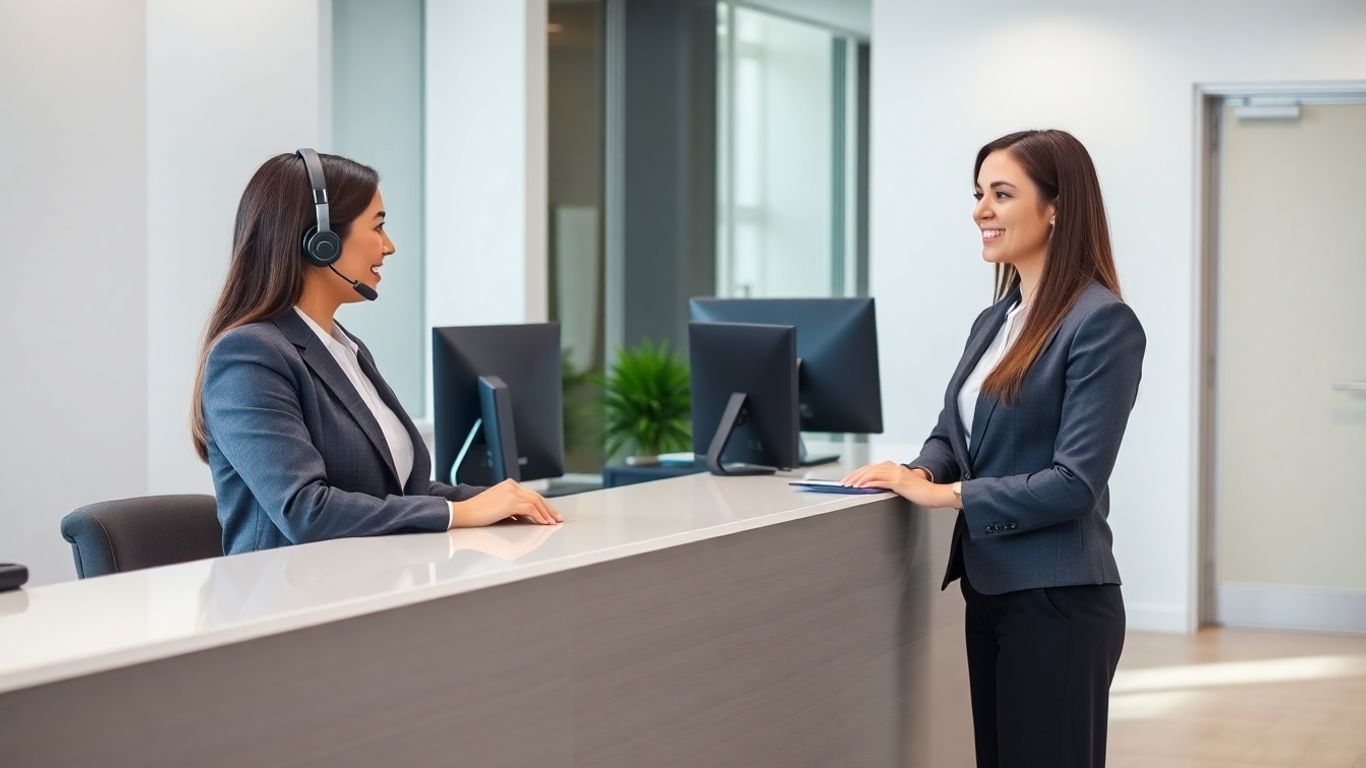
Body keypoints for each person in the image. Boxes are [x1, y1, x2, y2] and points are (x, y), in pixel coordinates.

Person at [842, 129, 1145, 767]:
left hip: (1059, 600)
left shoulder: (1101, 322)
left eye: (1001, 194)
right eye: (979, 193)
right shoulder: (998, 318)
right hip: (993, 590)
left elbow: (1074, 482)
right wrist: (917, 468)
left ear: (1056, 206)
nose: (980, 209)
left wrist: (944, 493)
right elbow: (956, 431)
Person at [191, 149, 560, 555]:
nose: (390, 247)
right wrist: (457, 513)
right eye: (378, 227)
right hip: (288, 602)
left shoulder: (344, 348)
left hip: (372, 585)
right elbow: (305, 511)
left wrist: (490, 500)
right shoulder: (249, 356)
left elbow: (395, 492)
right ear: (321, 242)